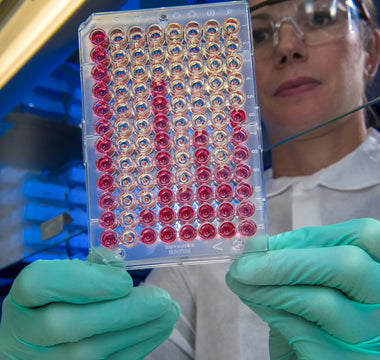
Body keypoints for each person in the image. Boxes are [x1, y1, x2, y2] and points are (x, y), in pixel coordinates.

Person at [0, 0, 379, 359]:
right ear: (236, 71)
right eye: (260, 33)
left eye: (320, 16)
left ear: (372, 52)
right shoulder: (209, 226)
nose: (288, 46)